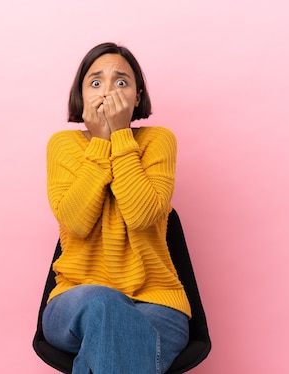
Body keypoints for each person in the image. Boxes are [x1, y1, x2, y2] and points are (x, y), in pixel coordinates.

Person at [42, 42, 191, 374]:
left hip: (157, 303)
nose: (108, 91)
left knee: (112, 342)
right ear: (81, 96)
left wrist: (121, 134)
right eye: (96, 82)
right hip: (76, 299)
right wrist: (101, 142)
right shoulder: (62, 146)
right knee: (105, 306)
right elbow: (76, 222)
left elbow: (142, 216)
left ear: (136, 97)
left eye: (121, 82)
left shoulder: (158, 140)